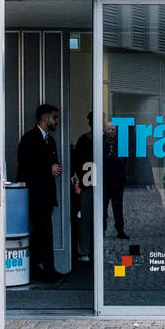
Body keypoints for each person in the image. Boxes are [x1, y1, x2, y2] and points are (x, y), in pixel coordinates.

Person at [18, 104, 62, 282]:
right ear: (45, 118)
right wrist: (48, 169)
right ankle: (47, 270)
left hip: (47, 194)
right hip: (35, 194)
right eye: (54, 118)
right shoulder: (29, 139)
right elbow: (26, 166)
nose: (56, 122)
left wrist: (55, 168)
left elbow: (52, 163)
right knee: (44, 231)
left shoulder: (50, 141)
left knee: (40, 231)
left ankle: (37, 267)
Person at [71, 112, 95, 262]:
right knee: (86, 218)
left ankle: (87, 250)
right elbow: (77, 162)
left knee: (90, 219)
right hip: (88, 184)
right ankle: (85, 250)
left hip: (91, 183)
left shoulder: (88, 139)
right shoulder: (85, 140)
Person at [102, 118, 129, 239]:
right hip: (104, 181)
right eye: (109, 129)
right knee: (102, 208)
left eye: (113, 129)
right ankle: (101, 230)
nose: (111, 131)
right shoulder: (101, 143)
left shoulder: (121, 143)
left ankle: (120, 230)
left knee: (118, 208)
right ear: (104, 130)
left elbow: (125, 161)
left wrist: (123, 176)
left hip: (117, 181)